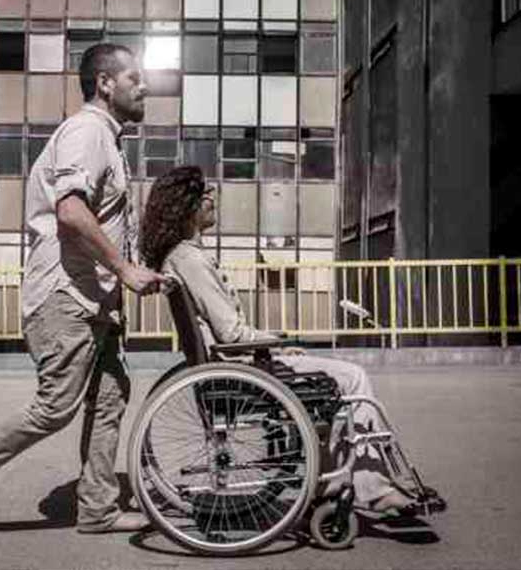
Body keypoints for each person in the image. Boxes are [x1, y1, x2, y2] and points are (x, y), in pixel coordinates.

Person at [0, 43, 167, 543]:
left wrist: (126, 272)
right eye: (134, 77)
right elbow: (70, 211)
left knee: (111, 397)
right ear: (105, 83)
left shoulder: (106, 137)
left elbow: (99, 218)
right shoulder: (87, 131)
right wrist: (125, 268)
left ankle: (98, 507)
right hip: (65, 295)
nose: (144, 86)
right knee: (56, 406)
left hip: (93, 298)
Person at [140, 166, 418, 516]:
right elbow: (232, 334)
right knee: (352, 378)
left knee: (336, 383)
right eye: (206, 193)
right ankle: (375, 489)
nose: (213, 200)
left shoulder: (182, 257)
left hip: (231, 365)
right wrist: (277, 341)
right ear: (187, 206)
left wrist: (274, 346)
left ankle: (341, 480)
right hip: (238, 368)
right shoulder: (190, 259)